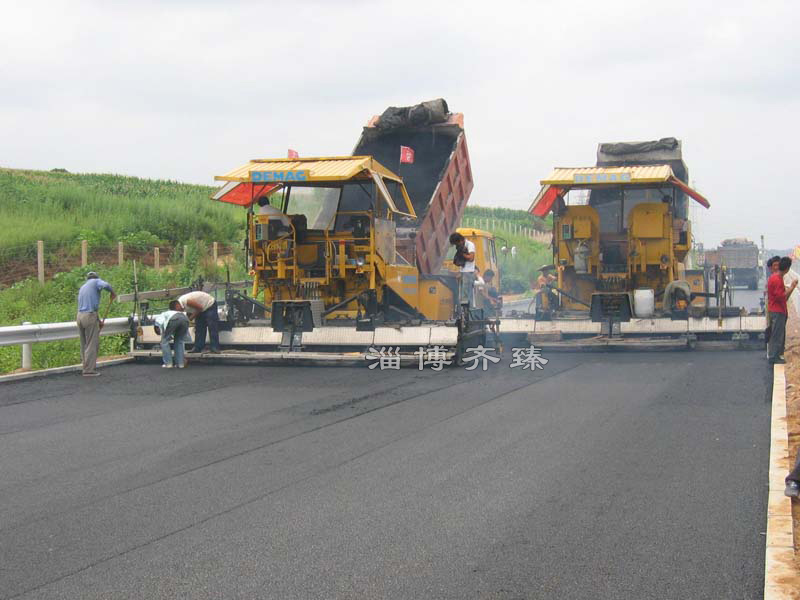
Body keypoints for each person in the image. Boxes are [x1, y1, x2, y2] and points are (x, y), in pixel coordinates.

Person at [76, 271, 116, 377]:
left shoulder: (83, 287)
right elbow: (106, 285)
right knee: (91, 343)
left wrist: (98, 321)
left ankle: (85, 366)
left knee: (84, 343)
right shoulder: (96, 282)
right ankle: (89, 370)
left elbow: (89, 306)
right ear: (96, 278)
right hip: (89, 316)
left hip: (80, 316)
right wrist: (112, 292)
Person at [766, 256, 797, 364]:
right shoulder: (777, 280)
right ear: (787, 269)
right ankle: (774, 357)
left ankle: (775, 355)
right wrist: (792, 287)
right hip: (777, 310)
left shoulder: (775, 278)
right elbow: (782, 297)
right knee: (777, 334)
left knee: (777, 333)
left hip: (777, 310)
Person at [154, 300, 190, 368]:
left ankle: (168, 364)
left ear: (170, 308)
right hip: (185, 319)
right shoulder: (182, 313)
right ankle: (180, 364)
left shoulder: (166, 313)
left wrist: (158, 329)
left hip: (174, 319)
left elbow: (158, 322)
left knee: (164, 341)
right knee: (179, 341)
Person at [450, 232, 476, 310]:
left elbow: (471, 258)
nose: (456, 245)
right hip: (463, 272)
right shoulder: (461, 246)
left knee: (467, 295)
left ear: (461, 240)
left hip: (468, 273)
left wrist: (462, 254)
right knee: (461, 296)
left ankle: (469, 313)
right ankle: (463, 313)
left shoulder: (470, 245)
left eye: (456, 243)